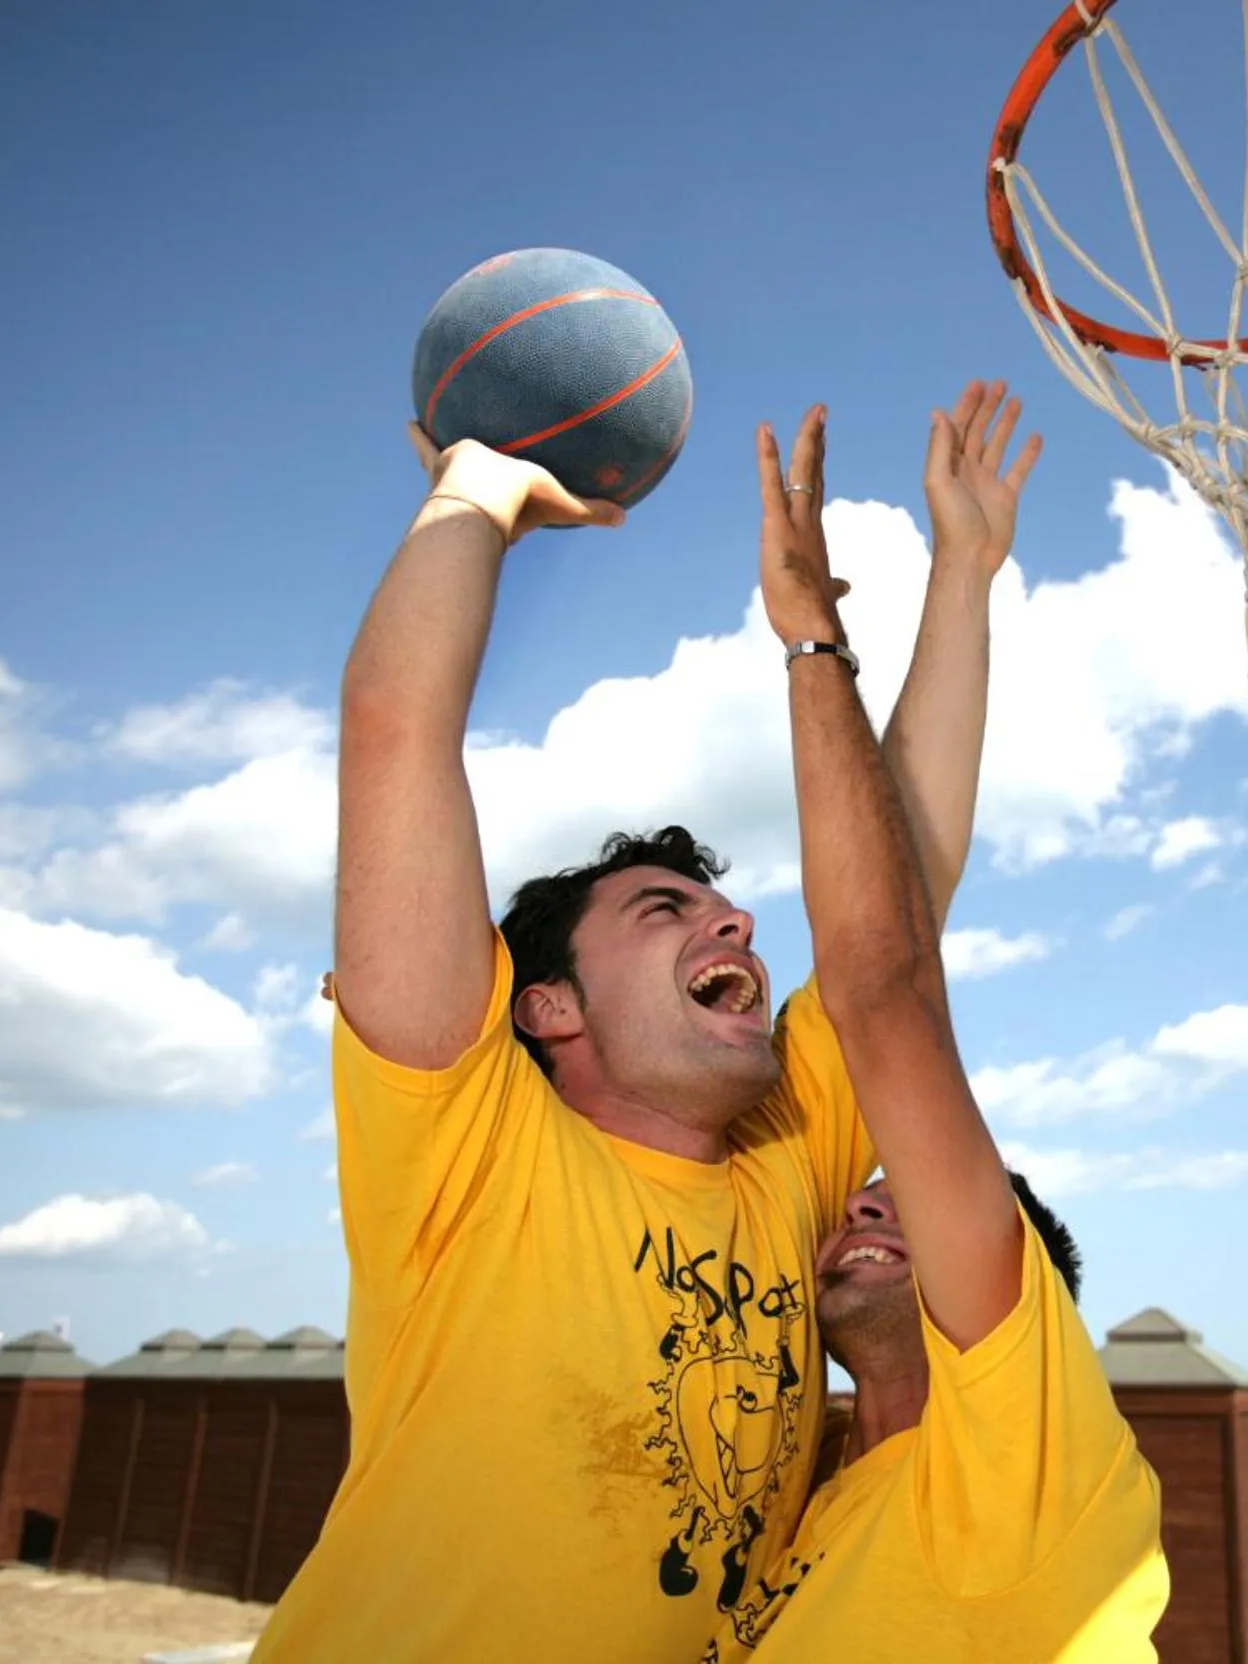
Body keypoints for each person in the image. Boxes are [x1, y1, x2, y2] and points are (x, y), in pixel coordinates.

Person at [253, 380, 1021, 1661]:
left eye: (728, 909)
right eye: (668, 909)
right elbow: (397, 734)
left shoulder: (784, 1155)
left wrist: (964, 574)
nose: (738, 927)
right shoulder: (471, 1146)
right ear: (546, 1005)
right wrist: (478, 490)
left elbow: (901, 902)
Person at [704, 391, 1168, 1661]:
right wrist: (961, 572)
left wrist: (812, 644)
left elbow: (887, 980)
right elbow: (907, 886)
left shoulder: (1024, 1447)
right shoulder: (814, 1508)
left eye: (902, 1199)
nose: (861, 1199)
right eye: (870, 1195)